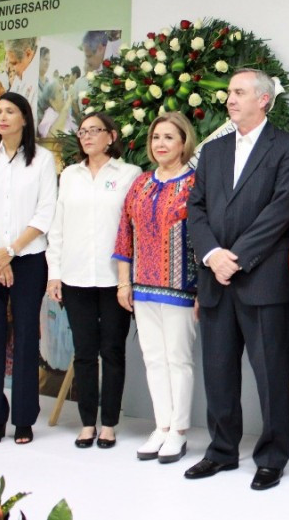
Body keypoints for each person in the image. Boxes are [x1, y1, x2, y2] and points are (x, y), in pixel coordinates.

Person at [184, 68, 289, 490]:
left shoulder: (288, 148)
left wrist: (235, 257)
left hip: (263, 281)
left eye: (239, 92)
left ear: (264, 100)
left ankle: (272, 458)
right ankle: (221, 452)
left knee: (271, 376)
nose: (230, 100)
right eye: (229, 93)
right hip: (216, 280)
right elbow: (195, 210)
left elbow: (281, 209)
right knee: (218, 373)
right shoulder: (213, 151)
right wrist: (213, 255)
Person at [46, 112, 141, 449]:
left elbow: (133, 228)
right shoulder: (70, 175)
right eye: (83, 131)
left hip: (115, 279)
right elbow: (57, 226)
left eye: (94, 131)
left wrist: (126, 278)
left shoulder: (130, 174)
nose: (86, 137)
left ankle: (110, 423)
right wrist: (53, 273)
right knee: (84, 353)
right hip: (74, 277)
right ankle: (87, 422)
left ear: (111, 136)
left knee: (112, 351)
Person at [0, 92, 56, 445]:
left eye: (10, 111)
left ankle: (23, 419)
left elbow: (45, 211)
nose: (2, 117)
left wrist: (11, 252)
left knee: (25, 336)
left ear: (24, 118)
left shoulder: (42, 160)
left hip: (29, 257)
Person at [113, 112, 199, 464]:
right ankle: (161, 426)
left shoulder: (196, 183)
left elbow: (203, 237)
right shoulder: (141, 183)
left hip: (182, 288)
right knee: (153, 359)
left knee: (178, 359)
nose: (160, 144)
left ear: (183, 142)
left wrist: (202, 291)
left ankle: (179, 430)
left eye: (168, 137)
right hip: (143, 286)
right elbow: (124, 233)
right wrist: (123, 281)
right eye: (156, 137)